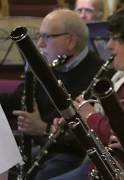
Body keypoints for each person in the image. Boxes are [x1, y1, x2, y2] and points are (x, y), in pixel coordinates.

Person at [50, 6, 124, 180]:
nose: (108, 45)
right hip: (100, 166)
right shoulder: (123, 76)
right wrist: (75, 126)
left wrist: (88, 116)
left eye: (116, 39)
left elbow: (122, 135)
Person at [1, 9, 105, 179]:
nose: (39, 45)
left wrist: (42, 128)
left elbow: (87, 136)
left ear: (70, 41)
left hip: (70, 154)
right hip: (41, 147)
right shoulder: (50, 66)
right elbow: (16, 100)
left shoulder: (98, 75)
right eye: (39, 36)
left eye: (46, 37)